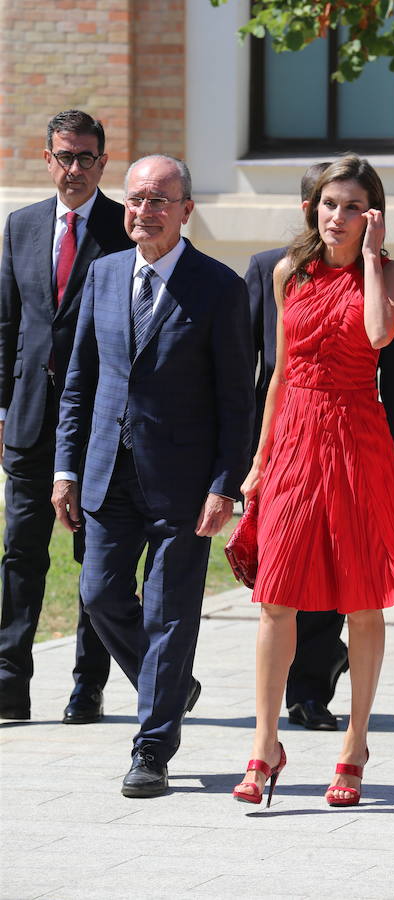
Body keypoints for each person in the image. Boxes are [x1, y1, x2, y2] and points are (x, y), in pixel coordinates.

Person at [52, 154, 254, 797]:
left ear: (186, 209)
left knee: (170, 616)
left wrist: (226, 485)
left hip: (185, 485)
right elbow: (80, 383)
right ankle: (171, 684)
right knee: (99, 593)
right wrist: (65, 468)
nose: (144, 211)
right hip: (107, 477)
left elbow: (236, 403)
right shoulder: (105, 274)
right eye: (137, 199)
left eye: (159, 200)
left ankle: (152, 749)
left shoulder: (220, 288)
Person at [233, 154, 394, 808]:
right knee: (276, 598)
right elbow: (279, 378)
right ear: (313, 206)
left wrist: (369, 258)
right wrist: (258, 462)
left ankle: (354, 744)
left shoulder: (390, 272)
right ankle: (264, 745)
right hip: (294, 441)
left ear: (374, 214)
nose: (338, 216)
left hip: (358, 441)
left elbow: (377, 333)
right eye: (330, 203)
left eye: (354, 206)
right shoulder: (287, 272)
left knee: (362, 602)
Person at [0, 109, 132, 723]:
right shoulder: (20, 226)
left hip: (96, 422)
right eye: (63, 156)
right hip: (27, 420)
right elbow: (8, 326)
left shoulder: (124, 226)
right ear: (46, 158)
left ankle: (88, 685)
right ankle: (9, 679)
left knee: (92, 560)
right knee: (21, 553)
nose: (72, 168)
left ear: (103, 163)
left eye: (85, 158)